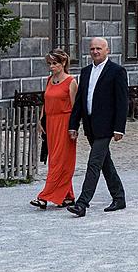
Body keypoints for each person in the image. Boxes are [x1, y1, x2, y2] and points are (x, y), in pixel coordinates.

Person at [66, 38, 127, 218]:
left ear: (107, 50)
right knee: (104, 163)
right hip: (90, 125)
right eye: (92, 49)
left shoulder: (117, 71)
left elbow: (122, 102)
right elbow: (79, 102)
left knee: (94, 162)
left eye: (99, 48)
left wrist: (119, 128)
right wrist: (73, 125)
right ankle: (119, 197)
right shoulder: (85, 72)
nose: (95, 51)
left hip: (106, 126)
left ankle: (82, 203)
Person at [30, 49, 78, 210]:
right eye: (50, 63)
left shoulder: (71, 81)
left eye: (55, 63)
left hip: (64, 122)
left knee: (59, 161)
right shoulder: (49, 80)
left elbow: (75, 107)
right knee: (55, 160)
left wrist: (74, 127)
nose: (51, 66)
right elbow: (46, 101)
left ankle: (44, 196)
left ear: (63, 63)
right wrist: (41, 120)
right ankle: (68, 196)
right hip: (51, 122)